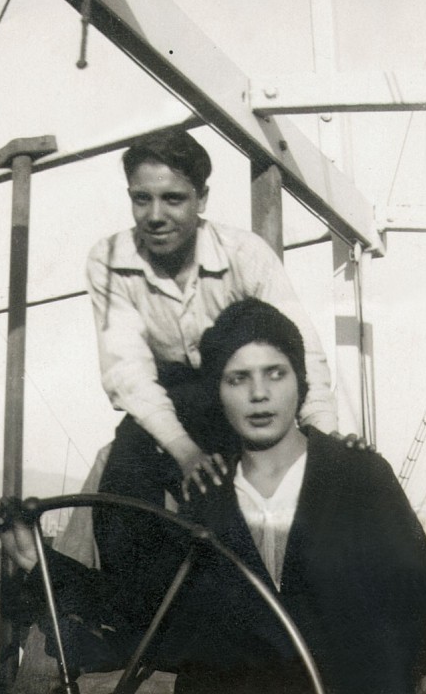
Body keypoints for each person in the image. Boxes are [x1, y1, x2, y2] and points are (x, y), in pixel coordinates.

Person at [0, 299, 426, 693]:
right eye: (238, 379)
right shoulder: (206, 496)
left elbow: (423, 613)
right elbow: (150, 613)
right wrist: (40, 563)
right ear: (218, 391)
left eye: (275, 373)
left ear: (300, 382)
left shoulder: (359, 475)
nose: (259, 394)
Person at [70, 127, 340, 597]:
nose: (155, 216)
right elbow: (127, 371)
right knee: (122, 482)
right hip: (167, 398)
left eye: (173, 199)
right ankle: (129, 621)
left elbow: (300, 351)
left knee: (240, 501)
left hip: (236, 396)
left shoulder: (245, 254)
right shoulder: (108, 259)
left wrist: (324, 439)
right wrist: (185, 452)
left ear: (202, 199)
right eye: (141, 199)